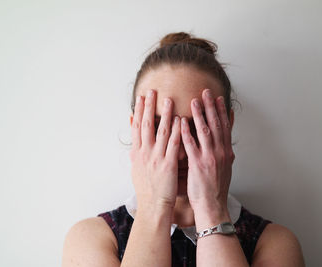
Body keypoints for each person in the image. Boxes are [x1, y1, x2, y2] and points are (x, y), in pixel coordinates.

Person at [62, 32, 305, 267]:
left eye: (198, 126)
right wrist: (154, 206)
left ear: (226, 126)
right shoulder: (92, 240)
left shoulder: (274, 244)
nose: (178, 153)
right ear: (136, 128)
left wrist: (211, 206)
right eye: (160, 128)